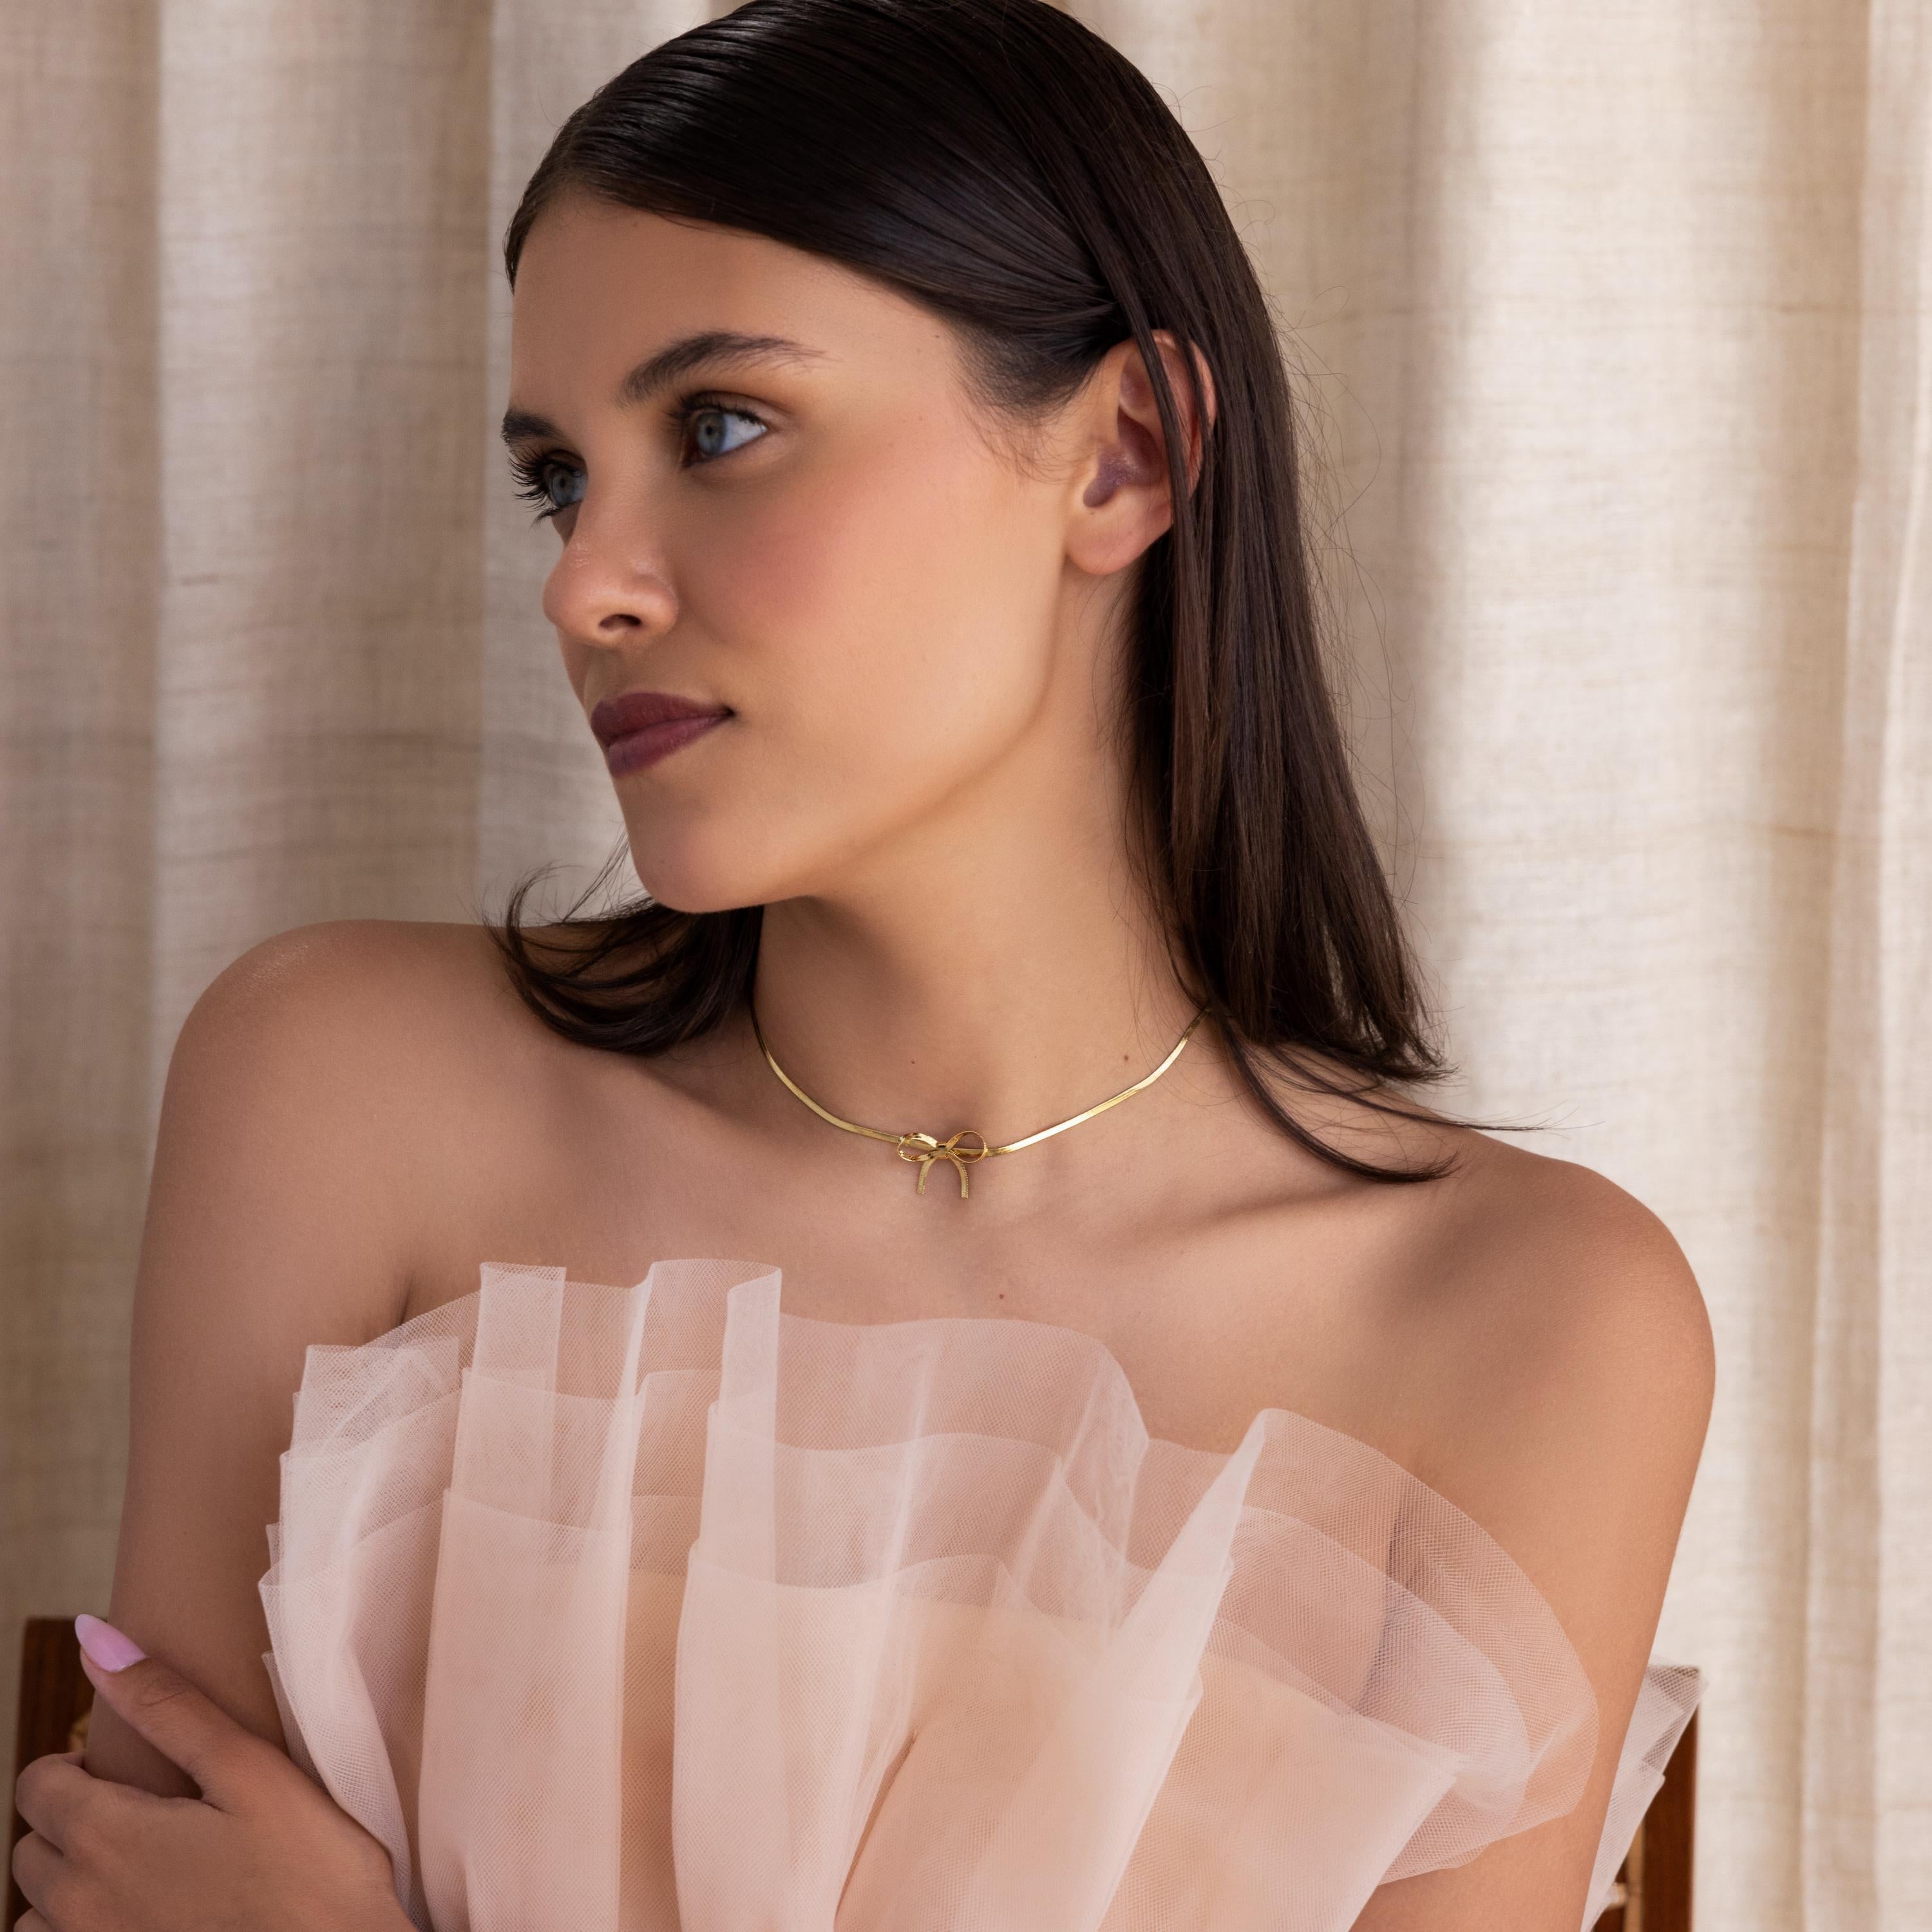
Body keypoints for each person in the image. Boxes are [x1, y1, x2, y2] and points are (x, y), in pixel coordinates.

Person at [11, 1, 1712, 1927]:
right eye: (560, 477)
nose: (586, 582)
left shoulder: (1531, 1318)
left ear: (1125, 457)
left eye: (721, 427)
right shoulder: (338, 1094)